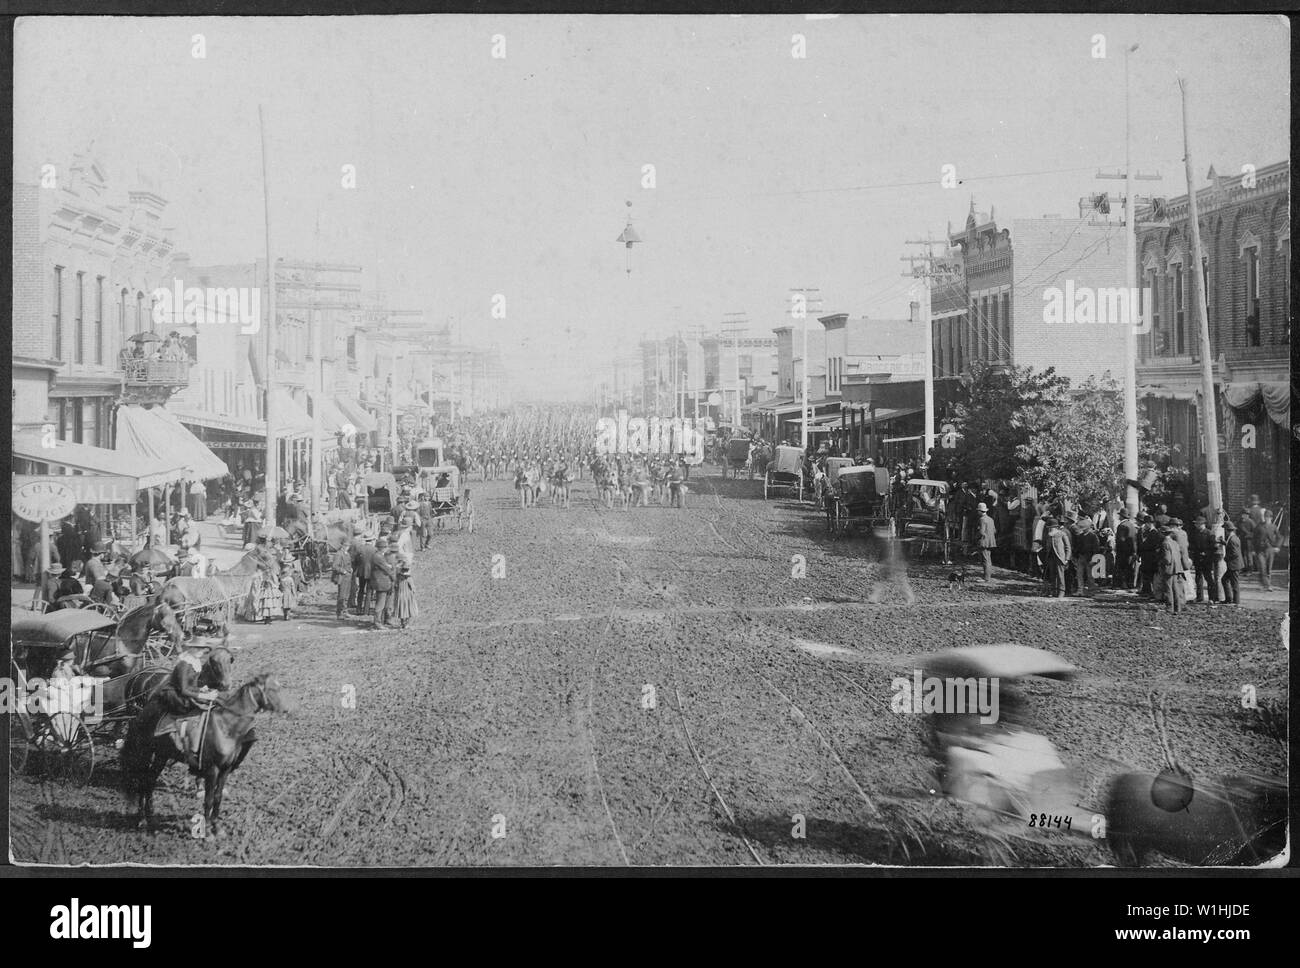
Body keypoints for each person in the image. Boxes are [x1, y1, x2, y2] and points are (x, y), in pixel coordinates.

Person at [1159, 523, 1191, 614]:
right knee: (1175, 588)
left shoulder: (1165, 543)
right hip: (1177, 568)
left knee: (1168, 588)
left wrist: (1162, 564)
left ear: (1163, 533)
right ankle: (1178, 607)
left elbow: (1167, 559)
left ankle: (1169, 607)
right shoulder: (1174, 542)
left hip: (1169, 568)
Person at [1188, 515, 1219, 605]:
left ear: (1203, 524)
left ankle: (1212, 598)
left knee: (1209, 579)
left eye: (1198, 524)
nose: (1197, 525)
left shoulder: (1209, 534)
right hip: (1198, 559)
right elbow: (1192, 545)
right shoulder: (1195, 533)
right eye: (1196, 524)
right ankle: (1199, 597)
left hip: (1207, 560)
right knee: (1198, 579)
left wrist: (1206, 553)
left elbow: (1214, 547)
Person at [1251, 508, 1281, 592]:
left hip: (1270, 550)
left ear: (1271, 518)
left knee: (1268, 568)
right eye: (1266, 516)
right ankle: (1266, 585)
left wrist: (1277, 546)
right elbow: (1254, 538)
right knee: (1262, 566)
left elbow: (1280, 537)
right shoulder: (1259, 526)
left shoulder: (1273, 527)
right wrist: (1253, 549)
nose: (1267, 518)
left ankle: (1266, 584)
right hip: (1260, 550)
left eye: (1269, 517)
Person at [369, 537, 396, 629]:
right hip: (381, 583)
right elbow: (387, 569)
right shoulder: (378, 557)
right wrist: (394, 577)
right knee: (380, 604)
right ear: (383, 548)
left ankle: (386, 619)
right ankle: (377, 622)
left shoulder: (380, 555)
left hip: (384, 582)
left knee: (387, 602)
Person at [1043, 517, 1071, 599]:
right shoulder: (1049, 535)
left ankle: (1061, 591)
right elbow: (1046, 546)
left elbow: (1067, 547)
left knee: (1060, 575)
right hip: (1051, 557)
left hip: (1060, 557)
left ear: (1055, 527)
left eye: (1050, 528)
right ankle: (1054, 590)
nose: (1049, 530)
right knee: (1052, 575)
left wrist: (1067, 558)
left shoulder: (1062, 534)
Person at [1221, 519, 1244, 606]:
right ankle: (1229, 599)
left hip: (1234, 565)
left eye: (1225, 530)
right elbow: (1231, 547)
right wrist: (1224, 543)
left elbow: (1235, 553)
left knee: (1234, 583)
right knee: (1225, 580)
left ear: (1227, 530)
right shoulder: (1233, 538)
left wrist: (1226, 558)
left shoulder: (1232, 539)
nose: (1225, 532)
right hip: (1234, 564)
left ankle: (1236, 601)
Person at [391, 557, 418, 629]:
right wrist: (414, 591)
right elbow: (412, 587)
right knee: (408, 609)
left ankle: (402, 623)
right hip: (408, 595)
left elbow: (395, 585)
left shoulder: (398, 577)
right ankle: (406, 623)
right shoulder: (409, 578)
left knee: (401, 609)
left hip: (400, 595)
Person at [331, 541, 353, 620]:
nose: (347, 547)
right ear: (342, 546)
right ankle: (339, 613)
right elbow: (335, 566)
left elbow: (348, 564)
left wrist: (350, 569)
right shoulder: (339, 554)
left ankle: (345, 611)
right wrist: (343, 571)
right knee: (342, 596)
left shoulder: (347, 554)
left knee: (346, 595)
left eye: (348, 546)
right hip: (342, 577)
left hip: (348, 577)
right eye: (346, 545)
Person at [975, 503, 996, 581]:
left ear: (981, 511)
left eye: (978, 511)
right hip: (990, 541)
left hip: (984, 541)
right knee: (988, 559)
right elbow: (994, 530)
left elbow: (981, 532)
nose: (977, 512)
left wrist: (976, 537)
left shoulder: (982, 519)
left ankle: (986, 578)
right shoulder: (990, 519)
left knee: (985, 560)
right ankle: (988, 577)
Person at [278, 551, 298, 621]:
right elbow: (293, 587)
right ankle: (288, 615)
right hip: (288, 592)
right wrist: (295, 594)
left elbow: (280, 586)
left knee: (284, 604)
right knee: (288, 604)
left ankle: (285, 615)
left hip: (283, 592)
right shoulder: (290, 577)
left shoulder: (281, 578)